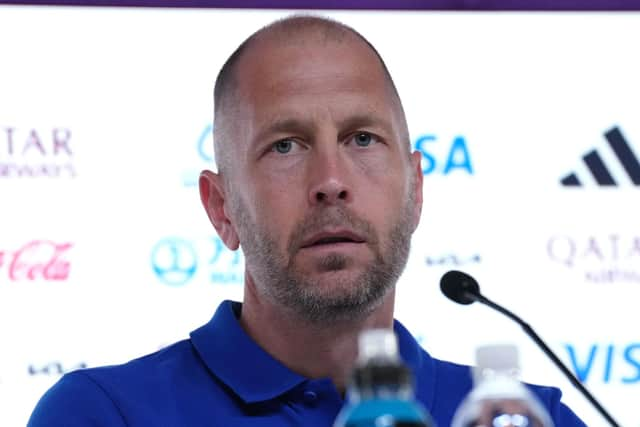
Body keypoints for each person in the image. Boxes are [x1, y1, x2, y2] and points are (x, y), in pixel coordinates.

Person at [28, 15, 586, 426]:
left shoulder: (524, 418)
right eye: (286, 146)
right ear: (221, 209)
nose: (331, 180)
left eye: (362, 139)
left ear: (416, 191)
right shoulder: (103, 413)